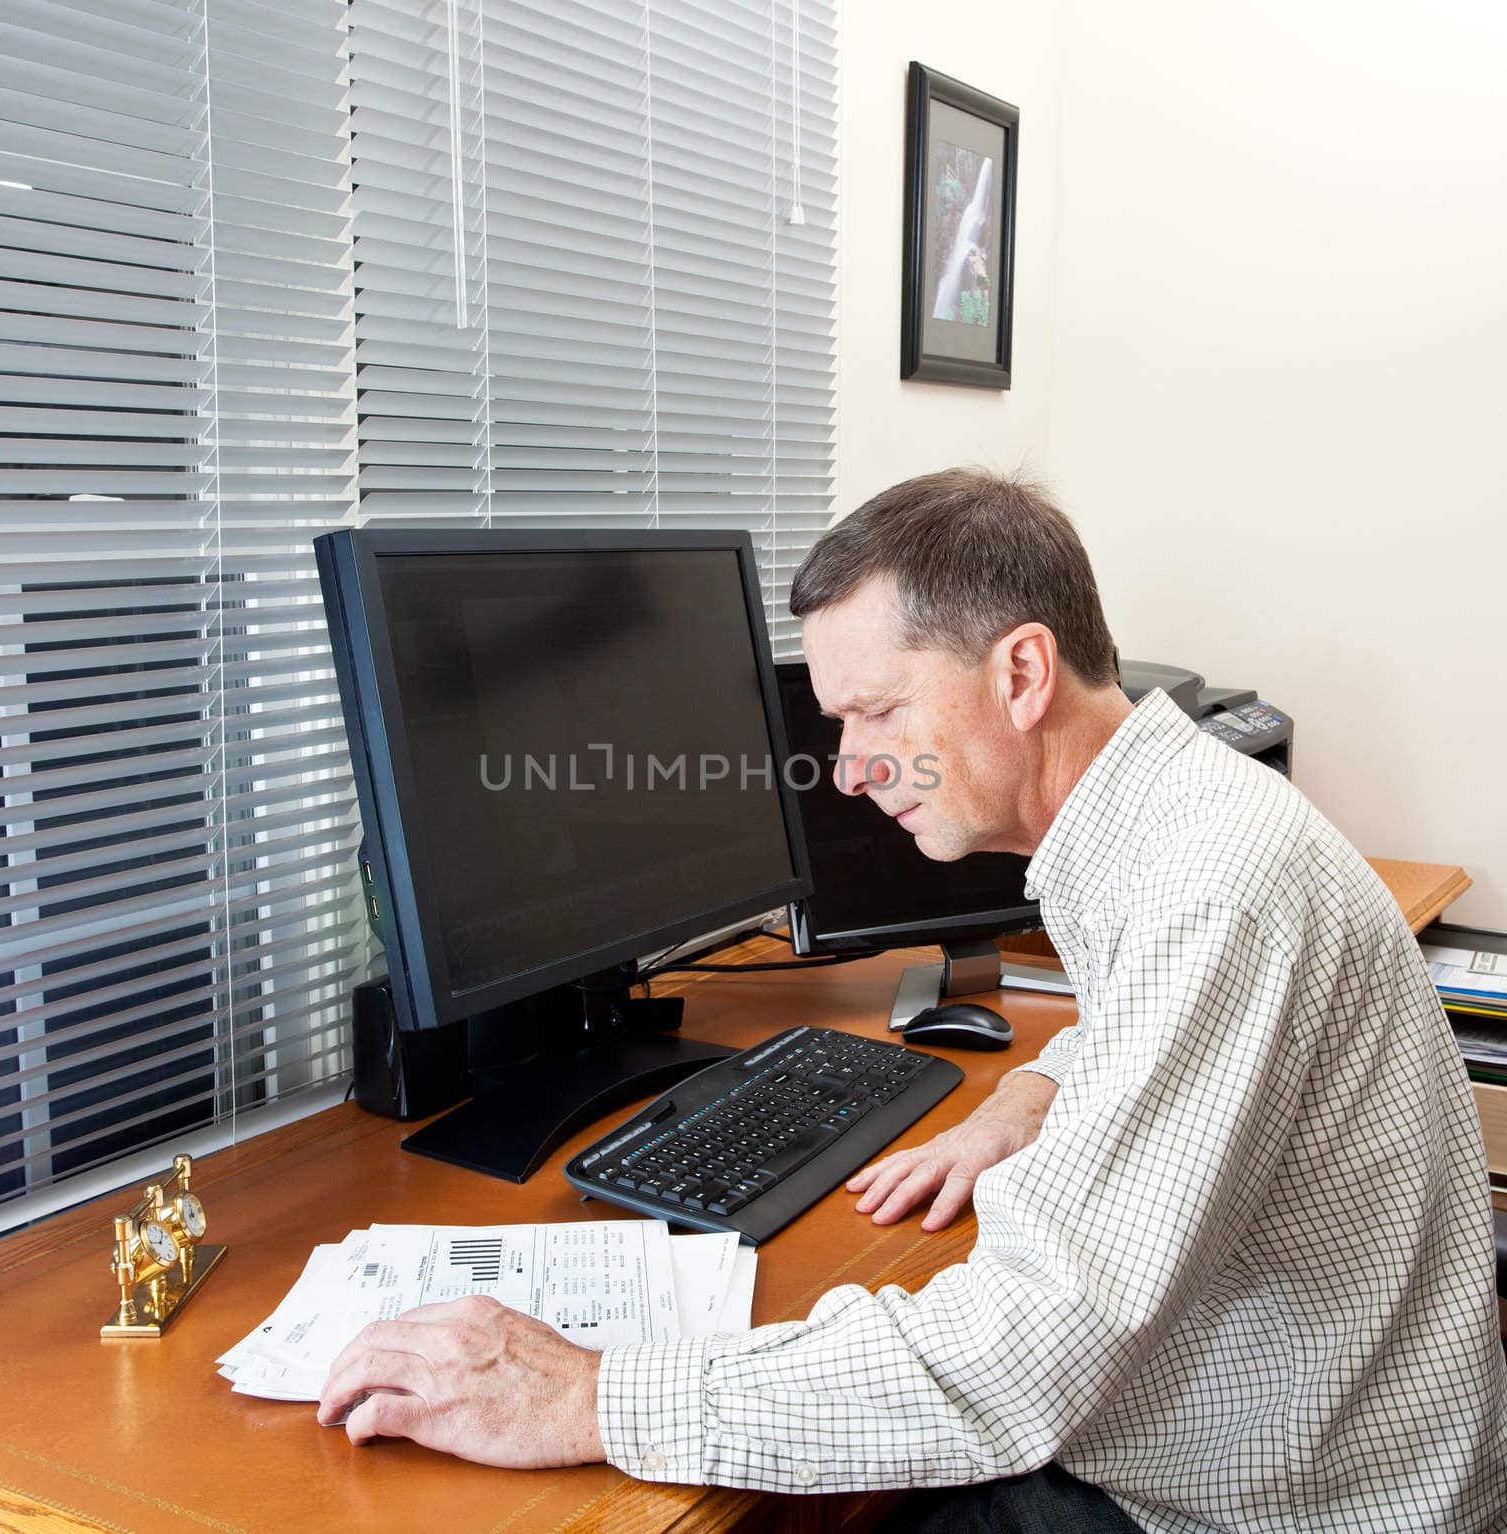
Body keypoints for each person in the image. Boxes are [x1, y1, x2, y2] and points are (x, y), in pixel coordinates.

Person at [318, 468, 1507, 1532]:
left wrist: (590, 1393)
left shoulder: (1211, 894)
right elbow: (1138, 1020)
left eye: (876, 711)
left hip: (1281, 1505)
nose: (843, 767)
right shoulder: (1169, 822)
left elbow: (1019, 1359)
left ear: (1022, 671)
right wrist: (1033, 1093)